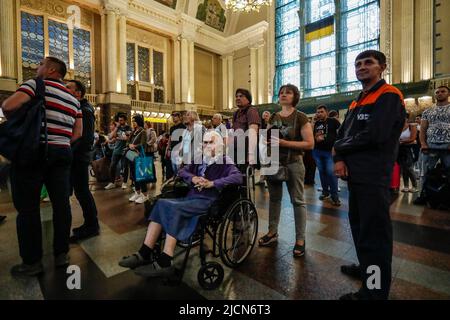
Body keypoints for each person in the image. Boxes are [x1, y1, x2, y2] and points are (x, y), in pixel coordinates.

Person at [118, 131, 243, 277]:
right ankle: (144, 253)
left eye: (211, 142)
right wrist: (194, 178)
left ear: (220, 145)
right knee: (160, 203)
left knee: (170, 207)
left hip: (206, 201)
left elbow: (238, 177)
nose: (207, 145)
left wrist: (213, 183)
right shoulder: (200, 158)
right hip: (191, 198)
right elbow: (183, 171)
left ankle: (166, 260)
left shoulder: (224, 161)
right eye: (205, 142)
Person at [333, 50, 406, 300]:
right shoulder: (358, 100)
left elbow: (376, 135)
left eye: (368, 63)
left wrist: (339, 149)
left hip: (374, 175)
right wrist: (339, 156)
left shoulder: (389, 95)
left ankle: (373, 291)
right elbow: (342, 134)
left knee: (374, 236)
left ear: (382, 67)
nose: (362, 67)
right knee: (360, 228)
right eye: (357, 64)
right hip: (357, 177)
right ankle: (367, 269)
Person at [1, 56, 82, 276]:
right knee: (61, 205)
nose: (37, 68)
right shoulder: (74, 99)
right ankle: (61, 253)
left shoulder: (36, 85)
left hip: (35, 152)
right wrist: (61, 142)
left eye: (41, 65)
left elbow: (7, 105)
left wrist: (19, 122)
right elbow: (78, 133)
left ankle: (32, 262)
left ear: (51, 70)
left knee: (28, 208)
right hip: (62, 153)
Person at [258, 84, 314, 258]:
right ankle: (272, 232)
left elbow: (310, 144)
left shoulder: (301, 117)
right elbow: (267, 137)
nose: (283, 95)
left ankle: (300, 240)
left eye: (288, 92)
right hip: (273, 162)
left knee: (297, 200)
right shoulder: (273, 117)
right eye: (281, 92)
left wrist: (284, 143)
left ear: (295, 96)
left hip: (293, 163)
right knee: (274, 199)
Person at [66, 80, 100, 242]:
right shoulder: (79, 108)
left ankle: (92, 225)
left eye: (68, 88)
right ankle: (91, 224)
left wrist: (69, 151)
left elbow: (85, 138)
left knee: (82, 192)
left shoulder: (85, 110)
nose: (65, 89)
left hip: (78, 157)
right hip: (76, 156)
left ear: (78, 93)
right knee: (81, 192)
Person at [414, 86, 450, 205]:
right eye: (437, 92)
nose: (439, 94)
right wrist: (423, 143)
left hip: (447, 145)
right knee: (425, 172)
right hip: (430, 146)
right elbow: (423, 129)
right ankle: (422, 195)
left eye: (442, 91)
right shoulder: (428, 111)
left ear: (448, 93)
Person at [312, 105, 341, 206]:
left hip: (330, 152)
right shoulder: (316, 123)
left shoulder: (333, 121)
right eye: (318, 112)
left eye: (321, 112)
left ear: (326, 112)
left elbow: (341, 133)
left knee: (331, 173)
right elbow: (313, 135)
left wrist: (337, 147)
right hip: (317, 151)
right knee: (322, 172)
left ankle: (334, 196)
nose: (319, 114)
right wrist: (316, 138)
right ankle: (325, 192)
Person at [231, 89, 261, 170]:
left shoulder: (251, 111)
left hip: (246, 153)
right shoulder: (236, 113)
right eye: (236, 96)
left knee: (244, 179)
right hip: (236, 152)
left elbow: (253, 133)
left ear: (248, 99)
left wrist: (250, 155)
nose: (237, 98)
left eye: (241, 96)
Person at [128, 115, 151, 204]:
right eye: (132, 121)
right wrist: (129, 145)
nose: (133, 123)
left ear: (139, 122)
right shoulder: (133, 132)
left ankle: (145, 195)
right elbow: (128, 141)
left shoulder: (143, 132)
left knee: (140, 175)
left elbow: (143, 144)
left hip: (139, 154)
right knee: (134, 174)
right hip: (131, 155)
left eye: (135, 121)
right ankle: (137, 193)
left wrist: (134, 146)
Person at [105, 114, 131, 190]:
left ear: (125, 120)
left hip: (125, 150)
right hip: (117, 150)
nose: (120, 122)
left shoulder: (128, 128)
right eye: (119, 120)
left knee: (125, 167)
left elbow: (127, 138)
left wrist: (120, 137)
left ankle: (124, 182)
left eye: (121, 120)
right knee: (112, 166)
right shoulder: (118, 127)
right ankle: (112, 182)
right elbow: (110, 137)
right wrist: (116, 127)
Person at [398, 114, 418, 193]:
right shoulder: (398, 127)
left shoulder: (411, 126)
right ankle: (406, 186)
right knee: (403, 168)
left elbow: (413, 138)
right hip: (400, 149)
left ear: (407, 118)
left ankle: (415, 186)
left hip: (409, 149)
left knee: (409, 168)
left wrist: (401, 141)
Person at [166, 112, 186, 179]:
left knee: (179, 169)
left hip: (179, 150)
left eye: (175, 116)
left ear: (179, 117)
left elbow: (185, 140)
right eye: (173, 116)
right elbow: (170, 139)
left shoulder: (183, 127)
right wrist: (168, 149)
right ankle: (176, 182)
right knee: (174, 169)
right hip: (173, 150)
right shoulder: (172, 128)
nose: (174, 117)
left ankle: (180, 183)